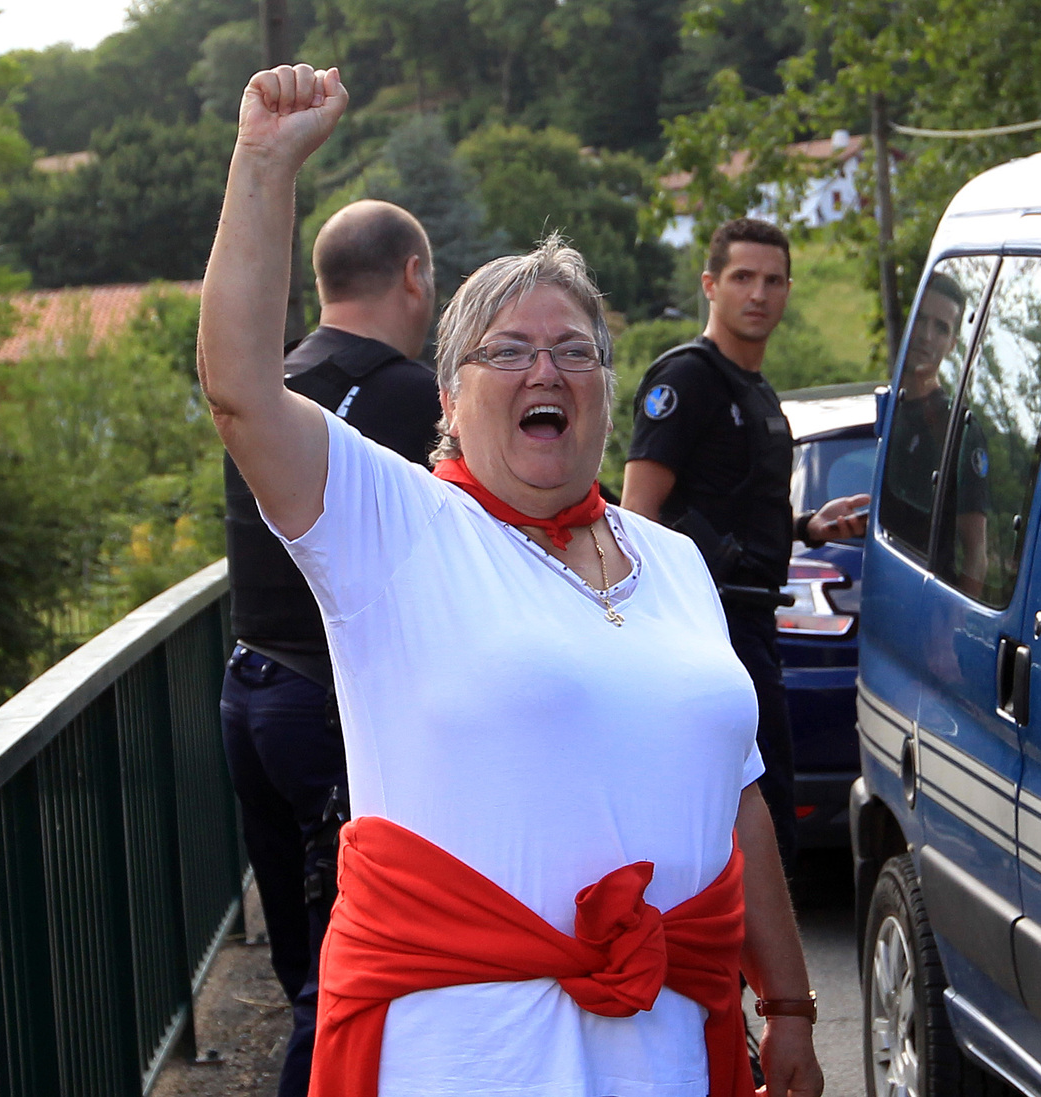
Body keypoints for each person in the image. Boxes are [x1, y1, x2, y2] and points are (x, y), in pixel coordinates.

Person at [199, 63, 824, 1097]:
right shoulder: (395, 525)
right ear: (448, 397)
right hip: (468, 1057)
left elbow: (739, 794)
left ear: (606, 390)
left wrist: (790, 1003)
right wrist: (264, 163)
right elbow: (241, 391)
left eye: (575, 351)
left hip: (669, 1050)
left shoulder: (672, 562)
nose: (547, 370)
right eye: (510, 352)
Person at [220, 197, 440, 1096]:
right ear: (414, 276)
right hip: (328, 707)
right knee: (338, 984)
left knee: (298, 964)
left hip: (250, 690)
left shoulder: (271, 383)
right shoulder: (411, 395)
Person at [622, 218, 867, 875]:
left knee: (767, 808)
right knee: (739, 817)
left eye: (773, 280)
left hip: (754, 621)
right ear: (710, 285)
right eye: (742, 278)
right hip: (706, 626)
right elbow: (639, 513)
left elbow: (732, 505)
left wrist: (809, 527)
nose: (758, 294)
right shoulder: (687, 379)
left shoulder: (755, 389)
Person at [883, 271, 988, 594]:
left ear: (952, 344)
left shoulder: (958, 428)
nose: (926, 336)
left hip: (929, 601)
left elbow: (976, 553)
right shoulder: (888, 410)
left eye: (941, 328)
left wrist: (956, 622)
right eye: (921, 320)